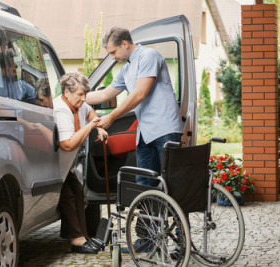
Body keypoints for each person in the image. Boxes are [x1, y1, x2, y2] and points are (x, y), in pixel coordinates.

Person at [85, 26, 183, 253]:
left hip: (165, 129)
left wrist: (111, 116)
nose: (112, 57)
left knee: (174, 186)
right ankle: (149, 240)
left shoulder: (149, 56)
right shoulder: (125, 70)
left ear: (125, 44)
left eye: (112, 52)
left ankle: (182, 242)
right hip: (145, 134)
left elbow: (140, 93)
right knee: (145, 187)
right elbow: (104, 94)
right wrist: (72, 96)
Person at [53, 72, 108, 254]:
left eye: (85, 94)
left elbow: (91, 113)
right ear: (67, 92)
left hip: (64, 166)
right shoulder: (61, 109)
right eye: (80, 94)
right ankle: (77, 240)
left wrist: (98, 126)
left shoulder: (78, 105)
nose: (84, 99)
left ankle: (82, 238)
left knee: (77, 191)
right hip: (52, 165)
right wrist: (90, 127)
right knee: (68, 195)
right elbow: (67, 144)